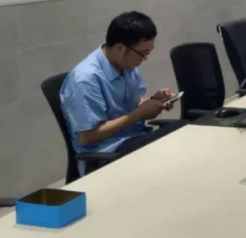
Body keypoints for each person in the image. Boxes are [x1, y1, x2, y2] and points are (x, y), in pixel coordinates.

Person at [60, 12, 186, 168]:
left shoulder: (126, 65)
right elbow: (88, 136)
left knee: (183, 131)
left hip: (134, 138)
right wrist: (138, 114)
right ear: (120, 48)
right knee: (175, 137)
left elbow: (133, 102)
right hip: (106, 153)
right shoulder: (85, 79)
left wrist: (155, 101)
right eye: (143, 53)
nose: (145, 59)